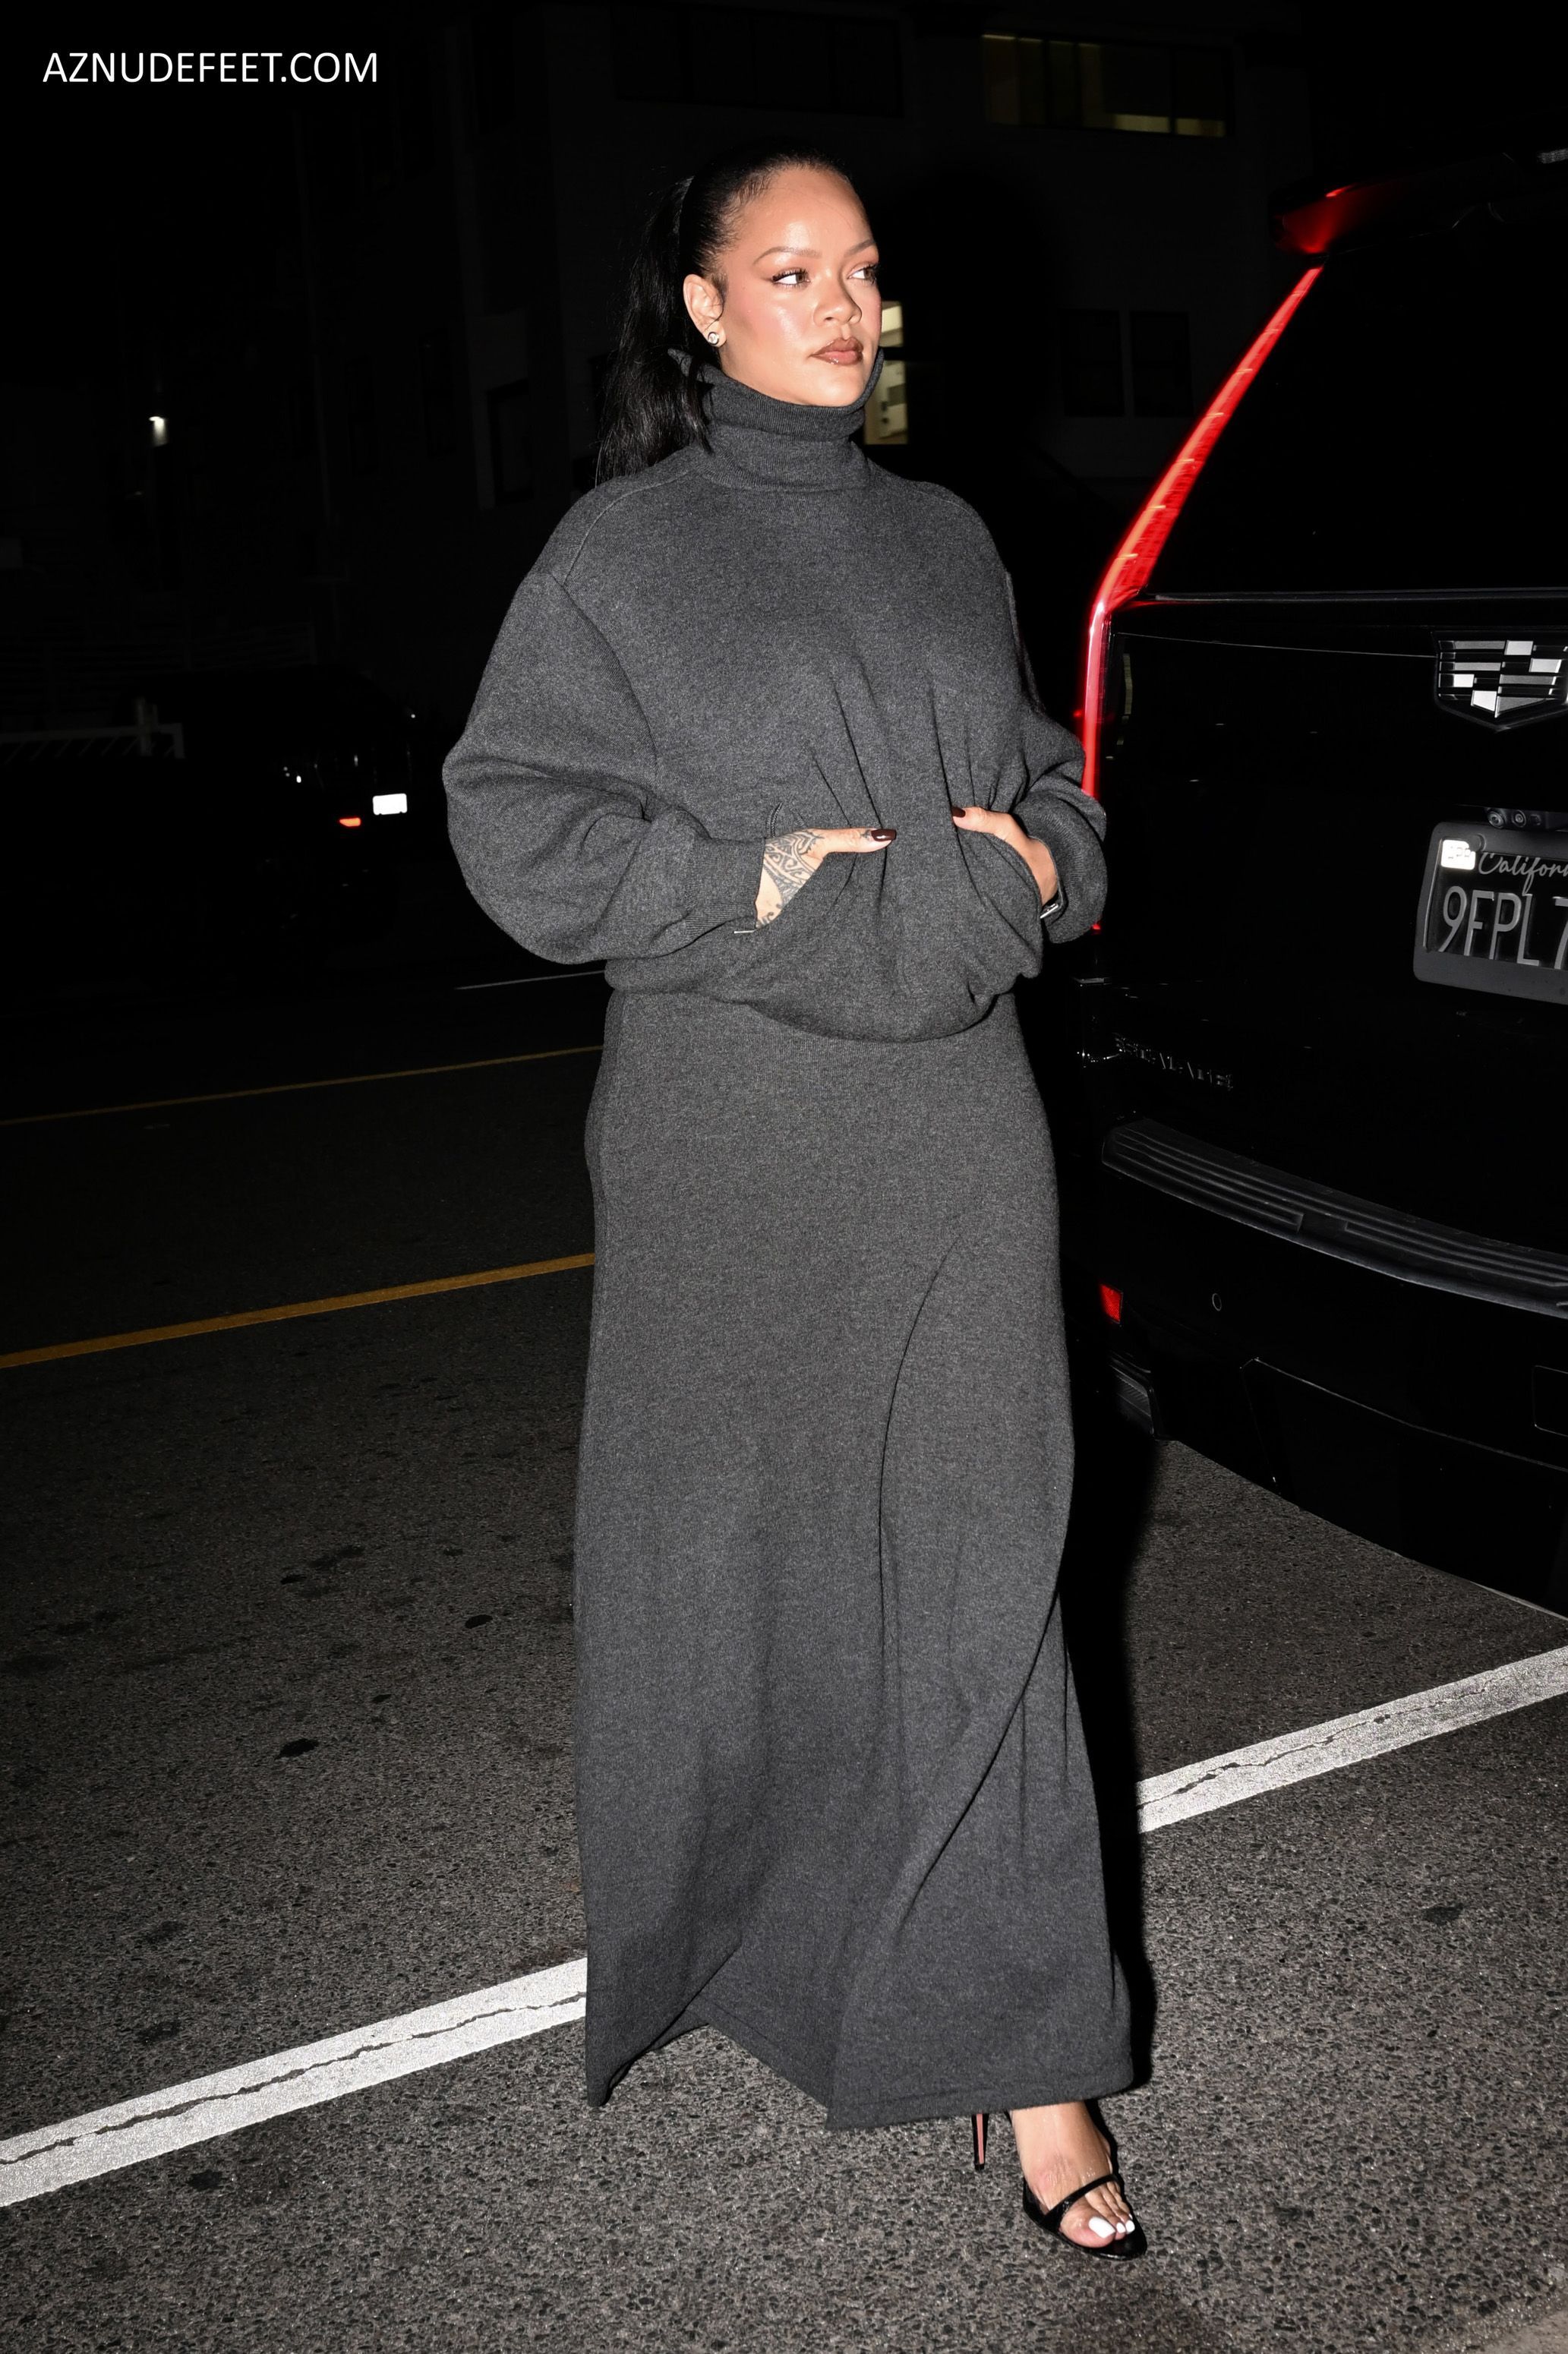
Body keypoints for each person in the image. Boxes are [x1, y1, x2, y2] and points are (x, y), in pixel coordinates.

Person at [444, 140, 1144, 2259]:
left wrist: (1036, 867)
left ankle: (1029, 2058)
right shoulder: (621, 556)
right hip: (728, 1145)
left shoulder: (945, 538)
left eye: (862, 270)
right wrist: (745, 879)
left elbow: (1052, 789)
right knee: (758, 1580)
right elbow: (511, 819)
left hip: (950, 1128)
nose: (844, 305)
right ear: (702, 307)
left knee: (986, 1569)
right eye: (791, 269)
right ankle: (784, 1937)